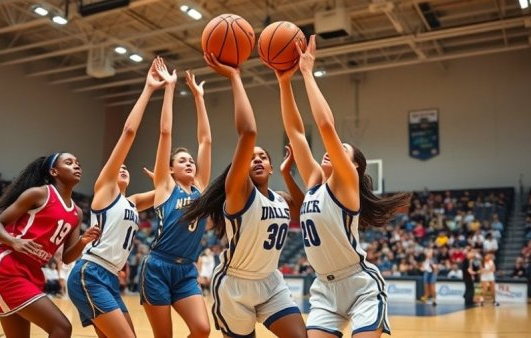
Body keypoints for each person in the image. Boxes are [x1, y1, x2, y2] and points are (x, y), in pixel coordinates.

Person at [275, 35, 411, 337]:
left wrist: (307, 73)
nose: (332, 149)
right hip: (324, 287)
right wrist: (284, 82)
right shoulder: (314, 182)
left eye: (342, 147)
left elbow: (325, 127)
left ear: (354, 165)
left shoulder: (346, 182)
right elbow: (296, 132)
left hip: (360, 284)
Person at [182, 53, 307, 338]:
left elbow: (305, 210)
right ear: (241, 169)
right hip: (235, 285)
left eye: (263, 156)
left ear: (272, 167)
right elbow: (248, 131)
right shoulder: (238, 193)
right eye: (251, 158)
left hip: (271, 283)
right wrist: (235, 77)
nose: (258, 159)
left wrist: (288, 174)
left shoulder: (280, 199)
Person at [66, 59, 163, 338]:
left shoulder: (131, 203)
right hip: (91, 272)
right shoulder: (105, 190)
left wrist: (168, 178)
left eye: (126, 169)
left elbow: (168, 192)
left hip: (109, 277)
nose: (122, 168)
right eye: (117, 166)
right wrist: (148, 89)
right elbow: (129, 132)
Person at [0, 152, 100, 338]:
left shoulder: (77, 212)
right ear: (54, 171)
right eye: (69, 163)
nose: (77, 166)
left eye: (78, 163)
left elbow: (67, 256)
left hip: (33, 272)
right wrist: (14, 241)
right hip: (6, 269)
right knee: (62, 327)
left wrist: (83, 241)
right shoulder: (40, 193)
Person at [139, 57, 212, 338]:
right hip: (158, 266)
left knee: (202, 329)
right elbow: (165, 132)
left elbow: (205, 140)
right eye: (182, 160)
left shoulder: (200, 188)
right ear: (169, 169)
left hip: (186, 271)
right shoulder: (164, 187)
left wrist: (199, 98)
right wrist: (169, 87)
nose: (189, 162)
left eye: (191, 160)